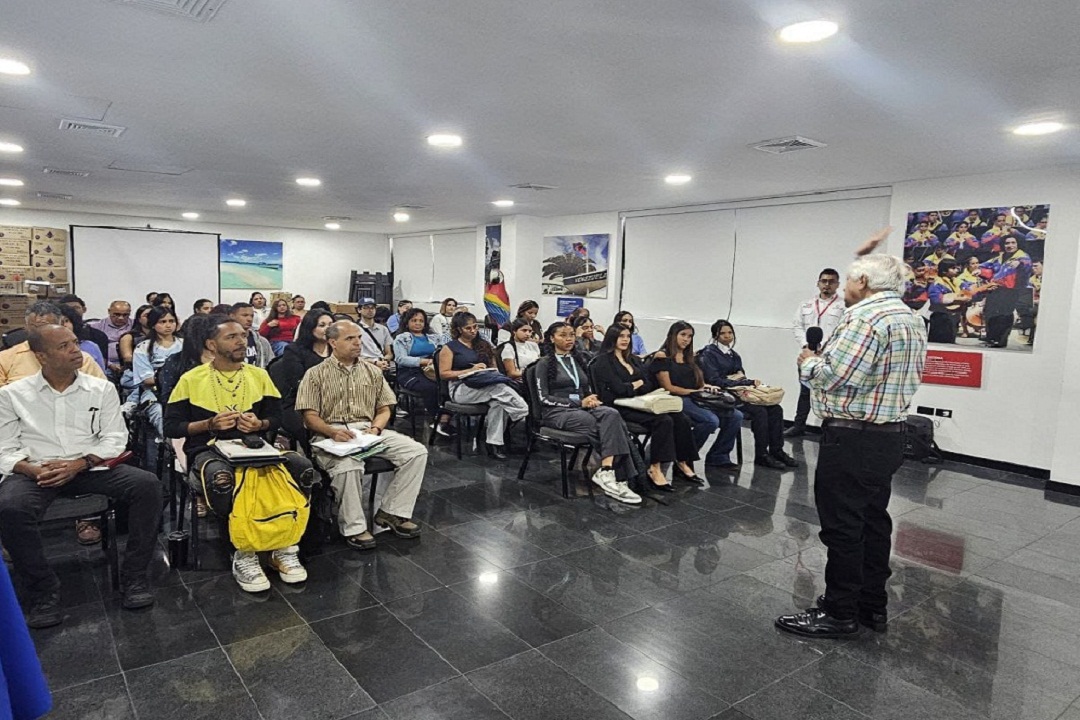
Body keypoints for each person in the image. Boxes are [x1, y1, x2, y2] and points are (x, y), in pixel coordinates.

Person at [775, 247, 927, 639]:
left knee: (843, 527)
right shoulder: (910, 319)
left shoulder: (864, 317)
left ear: (863, 282)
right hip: (889, 435)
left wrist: (807, 361)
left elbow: (834, 375)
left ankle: (839, 611)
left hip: (852, 436)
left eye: (847, 279)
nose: (843, 286)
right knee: (873, 522)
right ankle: (870, 605)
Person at [0, 325, 160, 628]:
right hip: (35, 470)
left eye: (75, 343)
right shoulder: (12, 395)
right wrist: (31, 469)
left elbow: (114, 438)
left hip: (88, 466)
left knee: (147, 485)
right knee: (10, 507)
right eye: (64, 346)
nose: (77, 350)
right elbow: (4, 447)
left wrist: (79, 463)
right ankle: (43, 590)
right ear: (40, 356)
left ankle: (135, 576)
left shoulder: (100, 388)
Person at [164, 317, 315, 593]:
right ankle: (242, 552)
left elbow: (276, 416)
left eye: (242, 336)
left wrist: (260, 425)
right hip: (207, 449)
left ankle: (283, 545)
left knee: (302, 467)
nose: (240, 341)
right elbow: (171, 425)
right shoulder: (192, 379)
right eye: (231, 337)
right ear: (212, 344)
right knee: (223, 477)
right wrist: (208, 424)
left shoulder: (258, 375)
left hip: (255, 448)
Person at [296, 320, 427, 550]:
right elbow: (309, 416)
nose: (358, 343)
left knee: (416, 452)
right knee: (348, 467)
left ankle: (392, 512)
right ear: (333, 343)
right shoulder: (315, 374)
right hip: (330, 433)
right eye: (350, 339)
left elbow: (385, 408)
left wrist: (375, 429)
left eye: (358, 337)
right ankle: (355, 527)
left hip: (368, 429)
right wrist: (333, 432)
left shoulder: (372, 371)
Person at [534, 322, 641, 504]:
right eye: (562, 335)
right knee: (601, 426)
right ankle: (620, 476)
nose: (569, 339)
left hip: (581, 407)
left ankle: (607, 471)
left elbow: (586, 389)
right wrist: (577, 402)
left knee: (611, 414)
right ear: (551, 338)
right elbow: (543, 398)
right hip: (556, 412)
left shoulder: (577, 360)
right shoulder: (543, 364)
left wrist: (590, 398)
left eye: (571, 335)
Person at [591, 325, 699, 489]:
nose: (625, 340)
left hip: (640, 401)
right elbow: (618, 390)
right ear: (612, 338)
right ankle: (655, 467)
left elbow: (648, 383)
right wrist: (636, 384)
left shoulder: (633, 359)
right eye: (621, 336)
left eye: (627, 336)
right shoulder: (603, 361)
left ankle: (683, 461)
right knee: (663, 421)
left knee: (680, 417)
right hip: (618, 406)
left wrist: (634, 385)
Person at [700, 320, 796, 469]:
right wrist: (743, 382)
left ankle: (777, 450)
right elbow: (715, 380)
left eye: (730, 332)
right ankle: (761, 454)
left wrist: (745, 383)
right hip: (723, 395)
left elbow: (741, 375)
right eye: (723, 333)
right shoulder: (708, 354)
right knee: (759, 411)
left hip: (739, 392)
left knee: (776, 409)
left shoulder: (734, 355)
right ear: (715, 335)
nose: (727, 336)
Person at [437, 312, 528, 460]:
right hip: (460, 388)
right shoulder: (450, 347)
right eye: (468, 328)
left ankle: (493, 443)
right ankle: (522, 412)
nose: (473, 331)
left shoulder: (484, 345)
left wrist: (487, 371)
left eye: (475, 327)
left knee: (499, 402)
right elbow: (444, 374)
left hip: (485, 384)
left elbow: (495, 370)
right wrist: (470, 370)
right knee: (498, 388)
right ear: (459, 329)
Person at [653, 321, 742, 469]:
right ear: (673, 335)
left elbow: (697, 382)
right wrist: (695, 391)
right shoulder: (662, 356)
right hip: (675, 398)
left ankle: (718, 456)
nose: (686, 339)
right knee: (710, 421)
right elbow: (668, 387)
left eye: (689, 336)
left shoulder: (689, 357)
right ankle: (684, 458)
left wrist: (707, 387)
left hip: (694, 395)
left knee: (736, 416)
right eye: (683, 335)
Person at [787, 268, 845, 437]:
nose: (827, 284)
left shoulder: (844, 306)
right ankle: (799, 425)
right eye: (824, 281)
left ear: (837, 284)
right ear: (818, 283)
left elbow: (843, 330)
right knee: (804, 391)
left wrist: (826, 348)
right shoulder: (806, 305)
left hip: (830, 355)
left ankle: (830, 429)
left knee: (829, 392)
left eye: (831, 281)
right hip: (807, 354)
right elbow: (797, 326)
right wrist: (806, 345)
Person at [0, 301, 106, 387]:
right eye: (34, 327)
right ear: (26, 327)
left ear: (61, 326)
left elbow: (102, 392)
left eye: (46, 327)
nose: (40, 333)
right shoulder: (5, 359)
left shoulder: (81, 359)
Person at [272, 309, 333, 444]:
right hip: (299, 402)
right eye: (322, 325)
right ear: (310, 328)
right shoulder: (294, 350)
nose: (327, 329)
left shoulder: (337, 349)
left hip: (335, 400)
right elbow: (297, 382)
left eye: (330, 325)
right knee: (313, 428)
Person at [130, 306, 183, 439]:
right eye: (162, 322)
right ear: (153, 325)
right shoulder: (143, 348)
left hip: (183, 390)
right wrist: (170, 378)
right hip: (153, 392)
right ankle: (169, 444)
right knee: (159, 412)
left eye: (171, 321)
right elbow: (146, 379)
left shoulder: (185, 345)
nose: (168, 325)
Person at [392, 307, 449, 429]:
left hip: (432, 370)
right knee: (431, 387)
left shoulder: (433, 338)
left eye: (421, 321)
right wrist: (422, 361)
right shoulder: (402, 338)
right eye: (414, 320)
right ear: (407, 323)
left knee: (448, 383)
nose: (418, 323)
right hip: (409, 372)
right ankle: (437, 419)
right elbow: (400, 359)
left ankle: (446, 416)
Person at [980, 236, 1032, 348]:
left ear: (1018, 244)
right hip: (995, 288)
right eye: (1007, 243)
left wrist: (1020, 263)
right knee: (989, 313)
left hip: (1011, 290)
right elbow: (985, 266)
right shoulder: (999, 257)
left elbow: (1027, 264)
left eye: (1013, 242)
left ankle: (1000, 340)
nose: (1010, 245)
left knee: (1004, 315)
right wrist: (979, 270)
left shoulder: (1022, 257)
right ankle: (991, 338)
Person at [57, 295, 109, 360]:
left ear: (84, 309)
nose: (72, 311)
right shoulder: (46, 347)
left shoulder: (95, 338)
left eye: (76, 308)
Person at [89, 300, 134, 378]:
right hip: (106, 365)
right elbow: (92, 350)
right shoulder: (97, 327)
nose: (121, 318)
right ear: (109, 311)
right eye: (116, 314)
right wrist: (109, 364)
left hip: (132, 366)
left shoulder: (135, 325)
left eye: (125, 315)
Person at [58, 304, 106, 371]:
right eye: (58, 322)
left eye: (66, 321)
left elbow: (101, 377)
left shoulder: (90, 346)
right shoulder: (45, 348)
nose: (64, 325)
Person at [230, 302, 273, 367]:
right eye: (245, 315)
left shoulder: (262, 342)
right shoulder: (225, 341)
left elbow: (271, 363)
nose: (249, 319)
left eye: (252, 316)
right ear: (232, 316)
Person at [356, 297, 394, 368]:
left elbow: (389, 353)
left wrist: (384, 360)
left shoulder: (383, 329)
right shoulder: (354, 329)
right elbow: (354, 356)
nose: (370, 310)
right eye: (366, 308)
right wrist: (375, 363)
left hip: (381, 363)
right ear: (359, 310)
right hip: (362, 365)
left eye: (372, 308)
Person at [118, 304, 154, 377]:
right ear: (139, 319)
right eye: (147, 315)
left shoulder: (161, 336)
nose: (150, 318)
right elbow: (127, 358)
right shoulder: (128, 337)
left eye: (153, 315)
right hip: (134, 373)